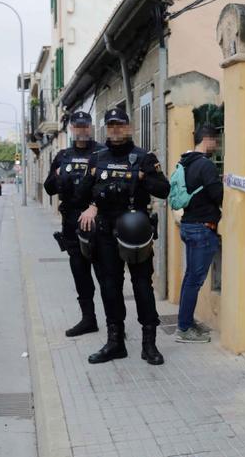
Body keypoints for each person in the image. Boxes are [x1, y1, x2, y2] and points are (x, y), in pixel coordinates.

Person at [77, 107, 170, 365]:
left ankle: (149, 344)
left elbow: (163, 190)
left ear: (128, 127)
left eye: (120, 124)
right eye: (111, 125)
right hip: (105, 231)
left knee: (142, 286)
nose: (115, 129)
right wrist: (91, 197)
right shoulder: (97, 157)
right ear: (106, 129)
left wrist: (140, 177)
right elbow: (81, 195)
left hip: (135, 230)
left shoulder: (143, 157)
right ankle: (115, 342)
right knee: (109, 286)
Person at [43, 111, 103, 337]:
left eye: (85, 126)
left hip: (96, 222)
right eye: (77, 127)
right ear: (72, 130)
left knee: (107, 275)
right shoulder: (62, 155)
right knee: (80, 273)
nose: (82, 130)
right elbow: (49, 188)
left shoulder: (102, 153)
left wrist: (95, 205)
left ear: (91, 127)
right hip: (71, 222)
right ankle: (89, 320)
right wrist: (58, 175)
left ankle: (115, 324)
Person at [173, 124, 223, 343]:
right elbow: (217, 194)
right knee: (194, 280)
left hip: (188, 225)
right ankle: (184, 329)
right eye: (215, 140)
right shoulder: (205, 165)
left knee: (189, 278)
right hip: (202, 228)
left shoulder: (185, 161)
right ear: (207, 139)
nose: (217, 145)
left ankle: (186, 322)